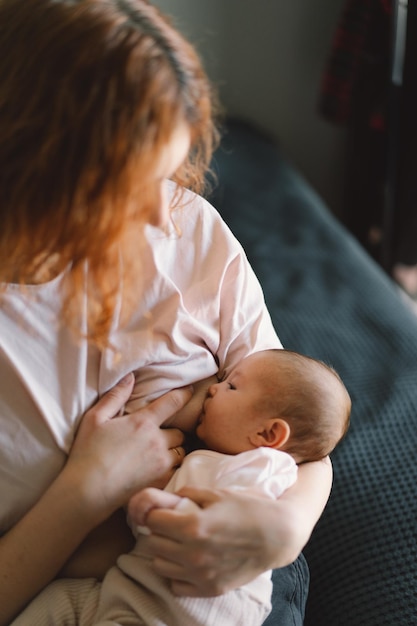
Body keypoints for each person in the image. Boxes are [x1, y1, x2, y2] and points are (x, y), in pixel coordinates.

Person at [0, 1, 333, 624]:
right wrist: (85, 493)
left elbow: (300, 431)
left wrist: (282, 530)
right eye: (131, 186)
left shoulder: (186, 229)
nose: (162, 216)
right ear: (32, 171)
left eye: (169, 174)